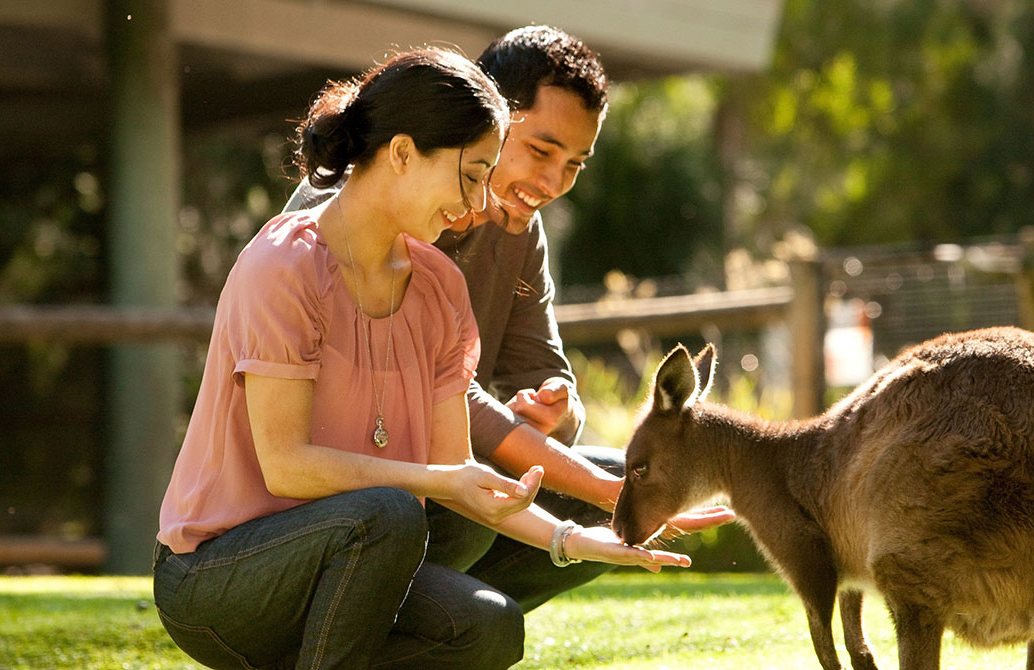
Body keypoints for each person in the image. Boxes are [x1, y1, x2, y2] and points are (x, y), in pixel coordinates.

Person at [154, 48, 690, 670]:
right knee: (389, 513)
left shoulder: (437, 285)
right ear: (403, 154)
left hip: (359, 544)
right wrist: (439, 482)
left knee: (488, 624)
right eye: (470, 175)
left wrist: (574, 540)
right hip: (219, 576)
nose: (474, 204)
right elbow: (287, 469)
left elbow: (457, 466)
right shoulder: (285, 263)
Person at [283, 26, 733, 612]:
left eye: (574, 164)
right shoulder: (366, 210)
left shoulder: (520, 230)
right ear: (488, 114)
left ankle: (438, 628)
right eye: (541, 151)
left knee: (569, 489)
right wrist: (595, 484)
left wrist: (557, 407)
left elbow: (540, 368)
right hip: (333, 498)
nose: (553, 184)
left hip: (433, 477)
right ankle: (415, 620)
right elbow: (439, 392)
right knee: (519, 491)